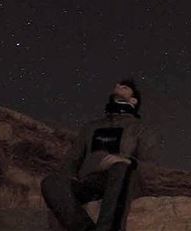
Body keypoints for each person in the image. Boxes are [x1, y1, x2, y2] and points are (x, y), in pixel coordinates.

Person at [41, 79, 161, 231]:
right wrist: (67, 179)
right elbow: (72, 159)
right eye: (116, 86)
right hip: (91, 184)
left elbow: (151, 168)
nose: (117, 88)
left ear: (133, 100)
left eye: (123, 87)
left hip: (124, 181)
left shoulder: (142, 129)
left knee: (120, 167)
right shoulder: (91, 127)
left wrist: (125, 160)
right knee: (51, 182)